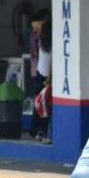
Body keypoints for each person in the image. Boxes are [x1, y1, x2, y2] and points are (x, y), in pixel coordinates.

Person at [27, 9, 49, 140]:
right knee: (40, 102)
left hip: (40, 72)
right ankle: (36, 128)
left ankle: (37, 129)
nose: (35, 28)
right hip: (38, 72)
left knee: (41, 102)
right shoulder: (38, 36)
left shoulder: (42, 36)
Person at [37, 9, 53, 144]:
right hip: (49, 77)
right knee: (49, 106)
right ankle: (45, 133)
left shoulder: (41, 42)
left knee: (42, 106)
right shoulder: (53, 44)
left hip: (40, 73)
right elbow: (53, 62)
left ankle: (40, 131)